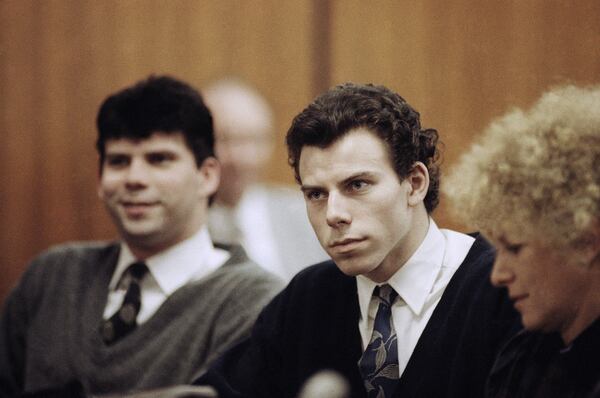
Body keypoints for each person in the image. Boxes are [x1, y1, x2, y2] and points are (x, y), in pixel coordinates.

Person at [194, 82, 520, 397]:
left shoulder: (504, 285)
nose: (333, 214)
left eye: (357, 185)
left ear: (415, 183)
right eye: (316, 194)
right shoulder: (307, 299)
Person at [0, 75, 283, 396]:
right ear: (100, 177)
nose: (134, 179)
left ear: (206, 176)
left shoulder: (255, 302)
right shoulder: (51, 277)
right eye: (119, 161)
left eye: (159, 159)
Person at [444, 85, 600, 398]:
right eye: (497, 249)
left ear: (585, 241)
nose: (498, 275)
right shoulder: (522, 356)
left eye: (514, 248)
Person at [203, 79, 327, 280]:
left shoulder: (307, 212)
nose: (243, 157)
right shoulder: (181, 226)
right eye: (226, 139)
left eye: (255, 140)